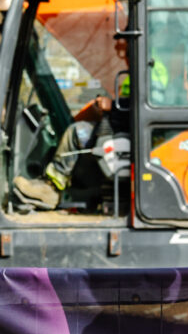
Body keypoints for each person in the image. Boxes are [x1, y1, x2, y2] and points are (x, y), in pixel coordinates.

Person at [12, 37, 131, 211]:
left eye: (126, 51)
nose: (124, 55)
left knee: (76, 132)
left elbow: (145, 107)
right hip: (124, 128)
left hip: (131, 134)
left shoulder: (151, 72)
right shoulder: (137, 72)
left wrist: (112, 107)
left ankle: (52, 188)